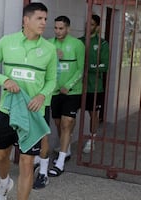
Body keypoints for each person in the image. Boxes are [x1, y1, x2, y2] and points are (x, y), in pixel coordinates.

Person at [0, 3, 57, 200]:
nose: (44, 23)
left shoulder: (49, 49)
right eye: (39, 18)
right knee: (2, 155)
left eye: (45, 19)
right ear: (26, 20)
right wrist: (4, 80)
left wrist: (42, 96)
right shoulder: (7, 42)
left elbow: (52, 80)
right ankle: (4, 183)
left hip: (34, 112)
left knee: (27, 161)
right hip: (8, 110)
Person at [46, 16, 85, 177]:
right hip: (53, 91)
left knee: (67, 123)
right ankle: (66, 148)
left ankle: (60, 161)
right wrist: (54, 56)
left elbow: (81, 69)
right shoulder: (48, 44)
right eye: (55, 28)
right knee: (58, 124)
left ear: (68, 29)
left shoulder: (77, 44)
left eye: (61, 28)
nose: (57, 31)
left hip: (72, 92)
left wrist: (68, 86)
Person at [79, 14, 109, 153]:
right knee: (69, 116)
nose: (87, 27)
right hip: (77, 87)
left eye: (91, 24)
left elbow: (104, 66)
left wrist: (87, 68)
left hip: (94, 87)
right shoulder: (79, 42)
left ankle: (92, 139)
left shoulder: (102, 44)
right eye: (86, 24)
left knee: (93, 114)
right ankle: (65, 144)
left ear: (97, 27)